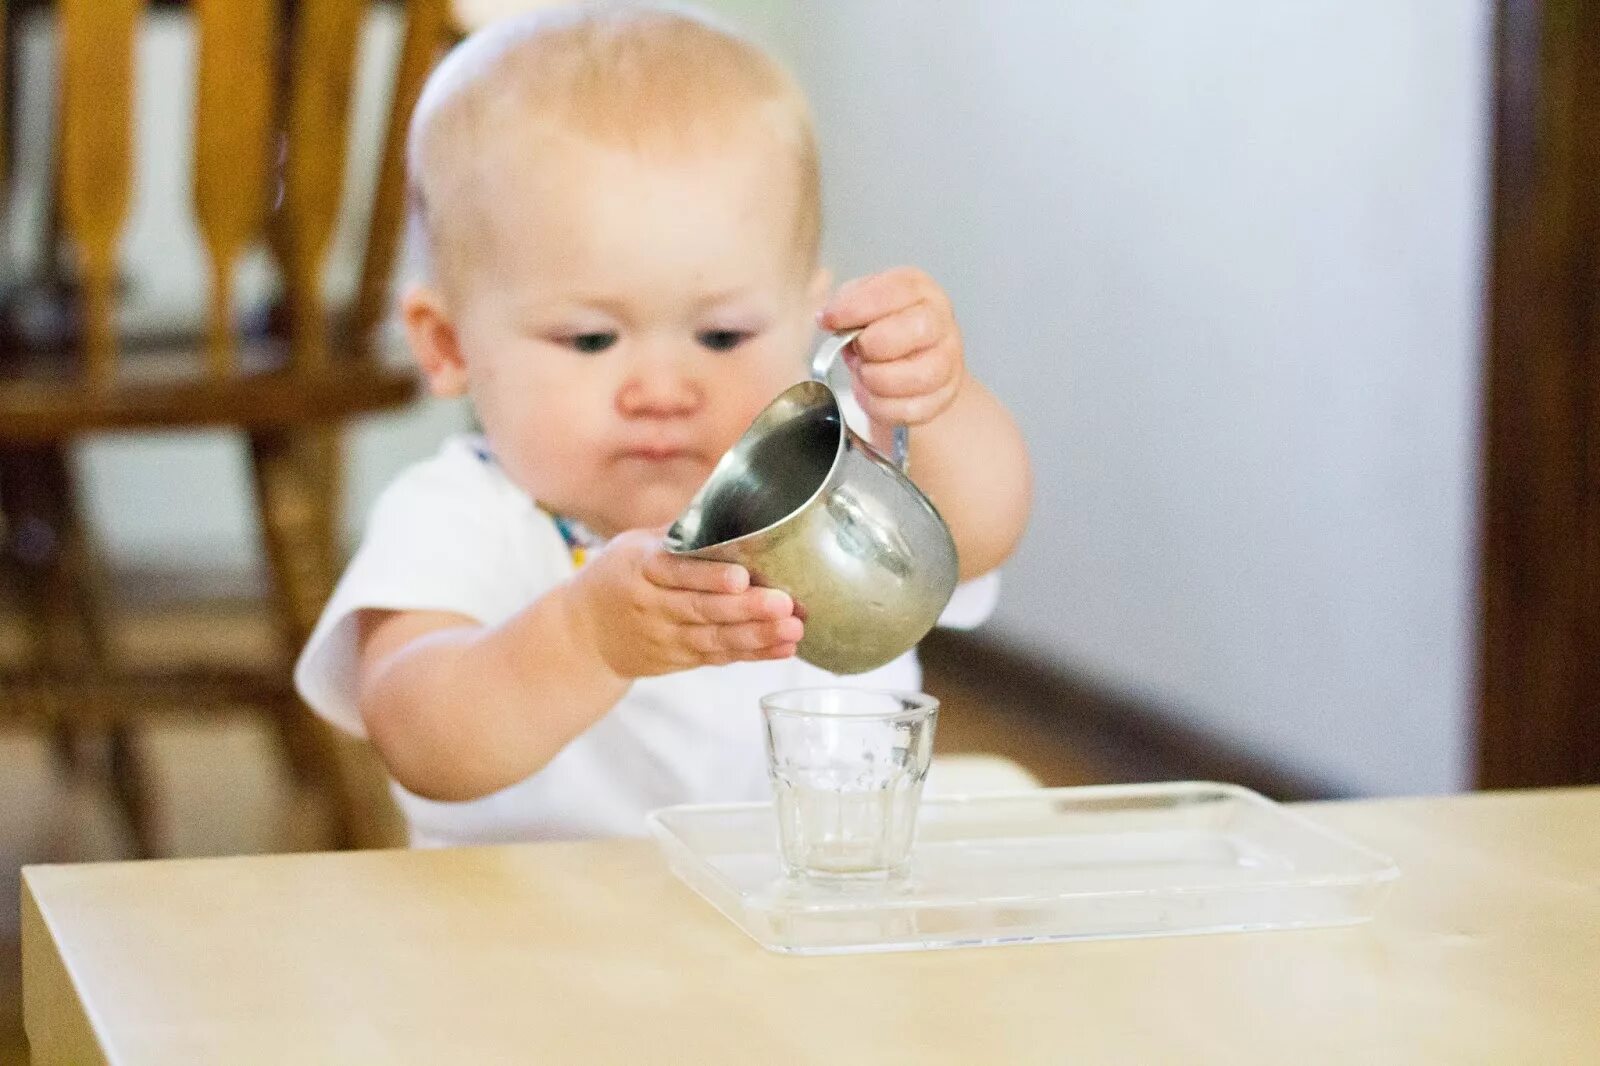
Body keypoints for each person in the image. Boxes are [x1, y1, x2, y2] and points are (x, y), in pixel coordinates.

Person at [295, 2, 1032, 847]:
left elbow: (978, 532)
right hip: (537, 950)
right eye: (591, 338)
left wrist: (935, 401)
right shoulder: (461, 516)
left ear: (804, 314)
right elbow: (421, 738)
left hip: (818, 924)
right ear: (448, 343)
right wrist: (585, 637)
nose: (661, 387)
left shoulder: (836, 476)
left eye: (722, 335)